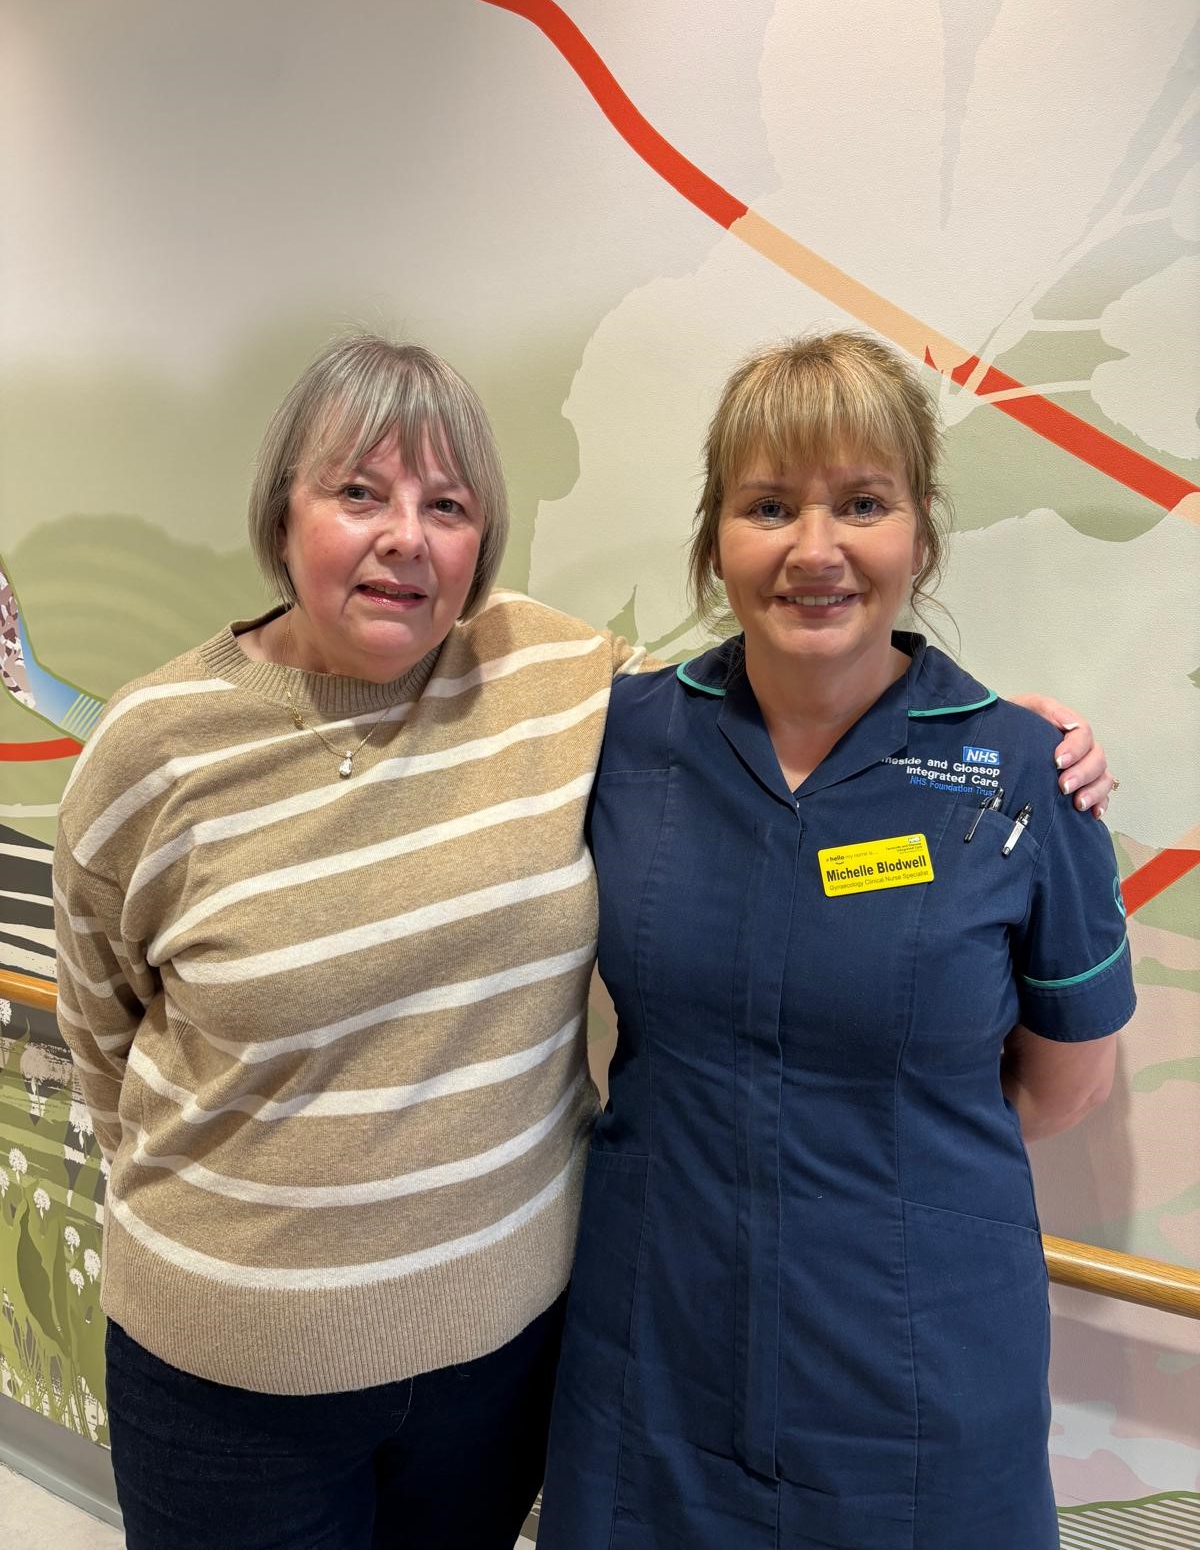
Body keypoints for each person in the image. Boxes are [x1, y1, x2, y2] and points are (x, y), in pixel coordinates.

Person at [53, 334, 1113, 1550]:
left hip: (499, 1367)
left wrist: (1017, 739)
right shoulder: (158, 748)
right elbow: (105, 1043)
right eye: (358, 491)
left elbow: (1053, 1074)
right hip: (245, 1374)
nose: (406, 536)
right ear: (279, 515)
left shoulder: (555, 683)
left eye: (446, 505)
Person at [537, 331, 1135, 1550]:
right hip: (657, 1337)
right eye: (769, 506)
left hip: (917, 1367)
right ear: (716, 538)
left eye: (862, 502)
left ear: (920, 533)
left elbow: (1065, 1086)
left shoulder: (1019, 775)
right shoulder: (623, 739)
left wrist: (860, 1131)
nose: (816, 550)